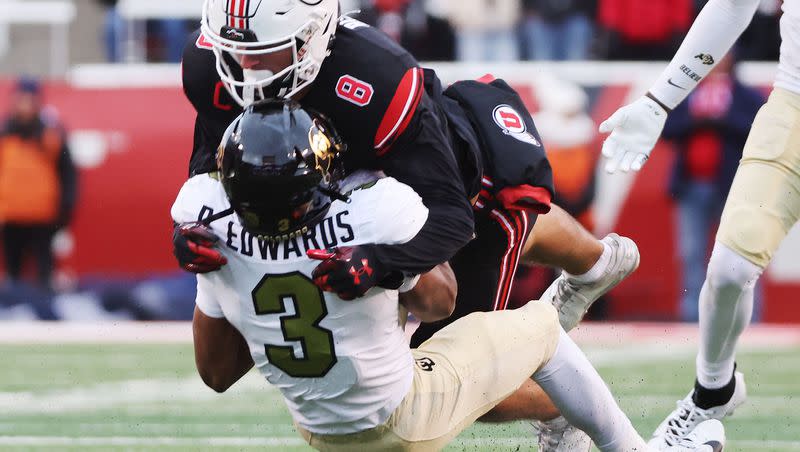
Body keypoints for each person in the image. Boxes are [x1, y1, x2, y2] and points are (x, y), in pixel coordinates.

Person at [174, 1, 639, 446]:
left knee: (460, 366)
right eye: (235, 52)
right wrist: (189, 236)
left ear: (313, 36)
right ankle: (598, 264)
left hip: (461, 193)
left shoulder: (376, 80)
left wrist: (381, 262)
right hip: (354, 199)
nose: (247, 70)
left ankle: (566, 393)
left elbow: (452, 216)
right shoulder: (210, 66)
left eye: (264, 52)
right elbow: (210, 169)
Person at [173, 100, 727, 452]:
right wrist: (384, 269)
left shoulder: (208, 229)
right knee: (539, 329)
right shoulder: (372, 208)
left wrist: (227, 281)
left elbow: (216, 374)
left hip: (316, 428)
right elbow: (440, 301)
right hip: (400, 417)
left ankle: (563, 408)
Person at [599, 0, 794, 447]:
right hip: (793, 107)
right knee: (729, 269)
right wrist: (659, 101)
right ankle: (712, 393)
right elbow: (731, 5)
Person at [661, 52, 764, 322]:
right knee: (691, 253)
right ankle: (692, 316)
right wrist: (699, 121)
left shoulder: (744, 95)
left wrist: (720, 121)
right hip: (691, 184)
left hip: (732, 186)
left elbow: (759, 129)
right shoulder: (688, 92)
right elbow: (668, 128)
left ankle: (746, 316)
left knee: (740, 253)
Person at [0, 77, 77, 291]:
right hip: (11, 217)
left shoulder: (51, 135)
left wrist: (65, 210)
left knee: (44, 277)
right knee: (13, 276)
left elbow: (68, 174)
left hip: (43, 218)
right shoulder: (4, 134)